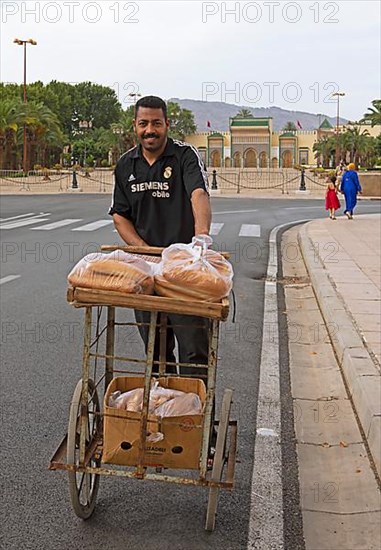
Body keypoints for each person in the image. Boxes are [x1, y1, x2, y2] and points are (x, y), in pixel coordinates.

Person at [109, 95, 211, 386]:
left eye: (156, 123)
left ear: (167, 123)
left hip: (184, 271)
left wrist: (201, 238)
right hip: (146, 272)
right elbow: (119, 215)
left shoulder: (184, 156)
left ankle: (193, 418)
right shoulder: (125, 164)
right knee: (156, 349)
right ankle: (162, 410)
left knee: (193, 351)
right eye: (143, 124)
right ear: (135, 126)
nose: (149, 130)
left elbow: (198, 195)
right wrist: (145, 253)